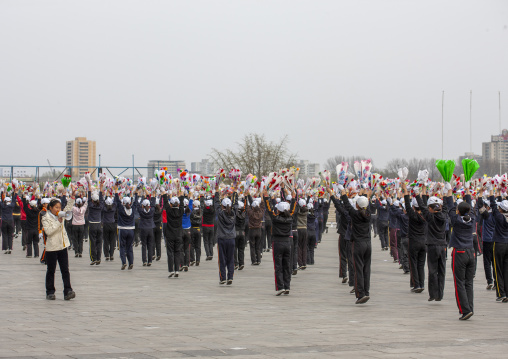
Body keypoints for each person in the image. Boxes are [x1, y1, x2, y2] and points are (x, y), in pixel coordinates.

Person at [329, 185, 372, 304]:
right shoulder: (368, 214)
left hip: (358, 244)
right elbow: (363, 204)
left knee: (358, 269)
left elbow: (346, 205)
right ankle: (366, 292)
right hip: (368, 244)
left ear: (357, 206)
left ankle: (361, 294)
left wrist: (343, 193)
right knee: (366, 269)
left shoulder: (355, 214)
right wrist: (366, 195)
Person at [445, 183, 476, 320]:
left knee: (459, 282)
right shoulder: (472, 219)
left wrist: (449, 191)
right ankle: (470, 307)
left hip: (460, 253)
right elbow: (468, 206)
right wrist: (468, 190)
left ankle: (464, 310)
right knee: (469, 282)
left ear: (458, 211)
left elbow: (450, 207)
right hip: (471, 252)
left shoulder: (456, 220)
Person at [42, 191, 76, 301]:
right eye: (56, 207)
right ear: (50, 208)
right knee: (51, 270)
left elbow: (68, 208)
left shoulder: (61, 214)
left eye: (59, 207)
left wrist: (72, 197)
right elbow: (48, 232)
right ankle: (50, 291)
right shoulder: (45, 218)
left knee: (65, 270)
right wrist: (58, 222)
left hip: (62, 246)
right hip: (52, 248)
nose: (58, 209)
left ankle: (68, 290)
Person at [263, 186, 296, 295]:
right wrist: (294, 198)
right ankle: (287, 286)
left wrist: (266, 197)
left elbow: (269, 208)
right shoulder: (290, 218)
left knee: (278, 266)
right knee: (287, 265)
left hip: (277, 242)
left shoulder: (276, 218)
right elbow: (293, 210)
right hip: (287, 243)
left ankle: (280, 286)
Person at [417, 186, 448, 302]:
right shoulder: (444, 216)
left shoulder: (430, 217)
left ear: (430, 208)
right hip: (442, 245)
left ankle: (433, 294)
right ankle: (440, 294)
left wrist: (418, 194)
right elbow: (445, 207)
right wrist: (444, 194)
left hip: (432, 245)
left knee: (432, 270)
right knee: (442, 270)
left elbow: (422, 206)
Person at [401, 182, 427, 293]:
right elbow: (424, 204)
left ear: (413, 207)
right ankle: (421, 283)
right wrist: (424, 189)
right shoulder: (426, 215)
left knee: (414, 263)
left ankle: (416, 285)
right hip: (424, 242)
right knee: (421, 264)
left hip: (414, 241)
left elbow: (406, 204)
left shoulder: (412, 215)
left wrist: (405, 191)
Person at [214, 185, 238, 285]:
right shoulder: (233, 213)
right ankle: (230, 277)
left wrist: (217, 193)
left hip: (222, 238)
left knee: (222, 259)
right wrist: (235, 193)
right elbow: (236, 205)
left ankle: (223, 277)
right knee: (230, 258)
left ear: (222, 206)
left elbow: (216, 204)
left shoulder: (220, 213)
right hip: (231, 238)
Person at [488, 187, 508, 302]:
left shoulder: (499, 216)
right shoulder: (503, 215)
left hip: (499, 244)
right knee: (506, 270)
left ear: (501, 209)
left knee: (498, 269)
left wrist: (493, 191)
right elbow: (497, 206)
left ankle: (501, 294)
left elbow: (493, 204)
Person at [114, 186, 139, 270]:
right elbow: (135, 203)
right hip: (131, 230)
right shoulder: (132, 209)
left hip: (122, 229)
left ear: (123, 203)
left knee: (122, 247)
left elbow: (117, 201)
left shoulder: (121, 209)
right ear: (130, 203)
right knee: (129, 247)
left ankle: (124, 262)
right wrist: (135, 193)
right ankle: (131, 262)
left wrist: (116, 190)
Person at [162, 189, 185, 278]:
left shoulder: (169, 211)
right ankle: (177, 270)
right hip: (179, 234)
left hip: (170, 234)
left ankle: (171, 270)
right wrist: (181, 193)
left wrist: (164, 193)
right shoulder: (181, 211)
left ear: (171, 204)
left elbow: (165, 203)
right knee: (177, 252)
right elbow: (182, 203)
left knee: (170, 252)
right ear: (178, 205)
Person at [477, 195, 496, 290]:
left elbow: (479, 206)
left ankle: (490, 281)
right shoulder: (497, 215)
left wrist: (480, 195)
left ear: (488, 207)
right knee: (495, 263)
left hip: (487, 241)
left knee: (487, 262)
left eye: (485, 206)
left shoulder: (487, 215)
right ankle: (496, 282)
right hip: (496, 241)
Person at [88, 188, 104, 265]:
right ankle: (98, 258)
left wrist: (89, 186)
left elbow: (88, 198)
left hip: (92, 224)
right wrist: (100, 189)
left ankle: (93, 259)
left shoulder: (90, 206)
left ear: (92, 200)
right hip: (99, 225)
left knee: (92, 242)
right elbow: (101, 200)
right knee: (99, 242)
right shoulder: (100, 206)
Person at [246, 194, 264, 265]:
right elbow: (263, 206)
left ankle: (254, 261)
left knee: (252, 246)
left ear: (252, 207)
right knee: (258, 246)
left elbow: (247, 207)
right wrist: (262, 197)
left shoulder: (251, 213)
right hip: (259, 230)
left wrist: (246, 197)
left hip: (252, 230)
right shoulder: (261, 213)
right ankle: (259, 259)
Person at [102, 196, 117, 261]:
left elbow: (101, 202)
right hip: (112, 224)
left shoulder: (104, 209)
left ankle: (107, 255)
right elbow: (116, 202)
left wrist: (101, 193)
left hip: (105, 225)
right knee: (112, 240)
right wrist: (116, 193)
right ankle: (111, 254)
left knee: (106, 240)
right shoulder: (113, 208)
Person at [201, 196, 215, 260]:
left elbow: (201, 205)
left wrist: (202, 197)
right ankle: (211, 253)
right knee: (210, 241)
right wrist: (214, 197)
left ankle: (208, 254)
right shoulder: (213, 210)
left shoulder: (204, 209)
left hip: (205, 226)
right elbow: (215, 204)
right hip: (211, 226)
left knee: (206, 241)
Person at [181, 198, 193, 271]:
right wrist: (191, 197)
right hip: (188, 230)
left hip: (181, 230)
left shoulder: (180, 211)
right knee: (187, 248)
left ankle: (181, 264)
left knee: (180, 248)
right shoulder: (189, 210)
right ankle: (186, 264)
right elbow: (191, 204)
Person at [234, 200, 246, 270]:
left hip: (236, 231)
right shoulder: (244, 214)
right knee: (241, 249)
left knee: (235, 248)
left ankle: (235, 263)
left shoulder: (235, 214)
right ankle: (241, 263)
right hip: (242, 232)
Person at [189, 199, 202, 266]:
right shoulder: (200, 212)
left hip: (192, 229)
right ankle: (198, 260)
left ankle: (192, 259)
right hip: (198, 229)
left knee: (192, 245)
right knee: (198, 246)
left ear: (194, 205)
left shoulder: (192, 212)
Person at [153, 197, 163, 261]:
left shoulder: (152, 211)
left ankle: (153, 254)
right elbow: (162, 205)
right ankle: (159, 254)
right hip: (159, 226)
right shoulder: (160, 211)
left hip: (153, 226)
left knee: (153, 241)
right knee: (158, 242)